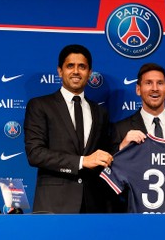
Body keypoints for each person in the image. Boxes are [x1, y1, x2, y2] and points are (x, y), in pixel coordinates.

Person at [24, 44, 113, 214]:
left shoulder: (100, 112)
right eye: (70, 66)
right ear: (60, 71)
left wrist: (122, 146)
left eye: (82, 66)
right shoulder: (40, 106)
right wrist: (81, 161)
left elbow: (102, 155)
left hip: (93, 206)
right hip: (54, 205)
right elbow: (35, 153)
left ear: (89, 73)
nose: (76, 71)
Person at [110, 63, 165, 212]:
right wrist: (121, 150)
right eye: (148, 83)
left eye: (160, 83)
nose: (154, 88)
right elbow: (110, 178)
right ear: (138, 89)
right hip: (138, 217)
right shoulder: (121, 129)